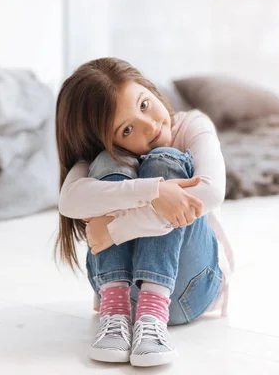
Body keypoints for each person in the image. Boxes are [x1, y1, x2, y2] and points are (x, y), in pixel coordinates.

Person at [55, 58, 235, 367]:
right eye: (126, 129)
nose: (149, 126)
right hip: (125, 298)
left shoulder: (192, 125)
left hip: (190, 288)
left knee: (166, 159)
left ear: (149, 88)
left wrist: (113, 230)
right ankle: (114, 314)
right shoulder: (105, 155)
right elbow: (70, 201)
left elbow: (209, 192)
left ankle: (153, 314)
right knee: (107, 165)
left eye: (144, 105)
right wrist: (153, 191)